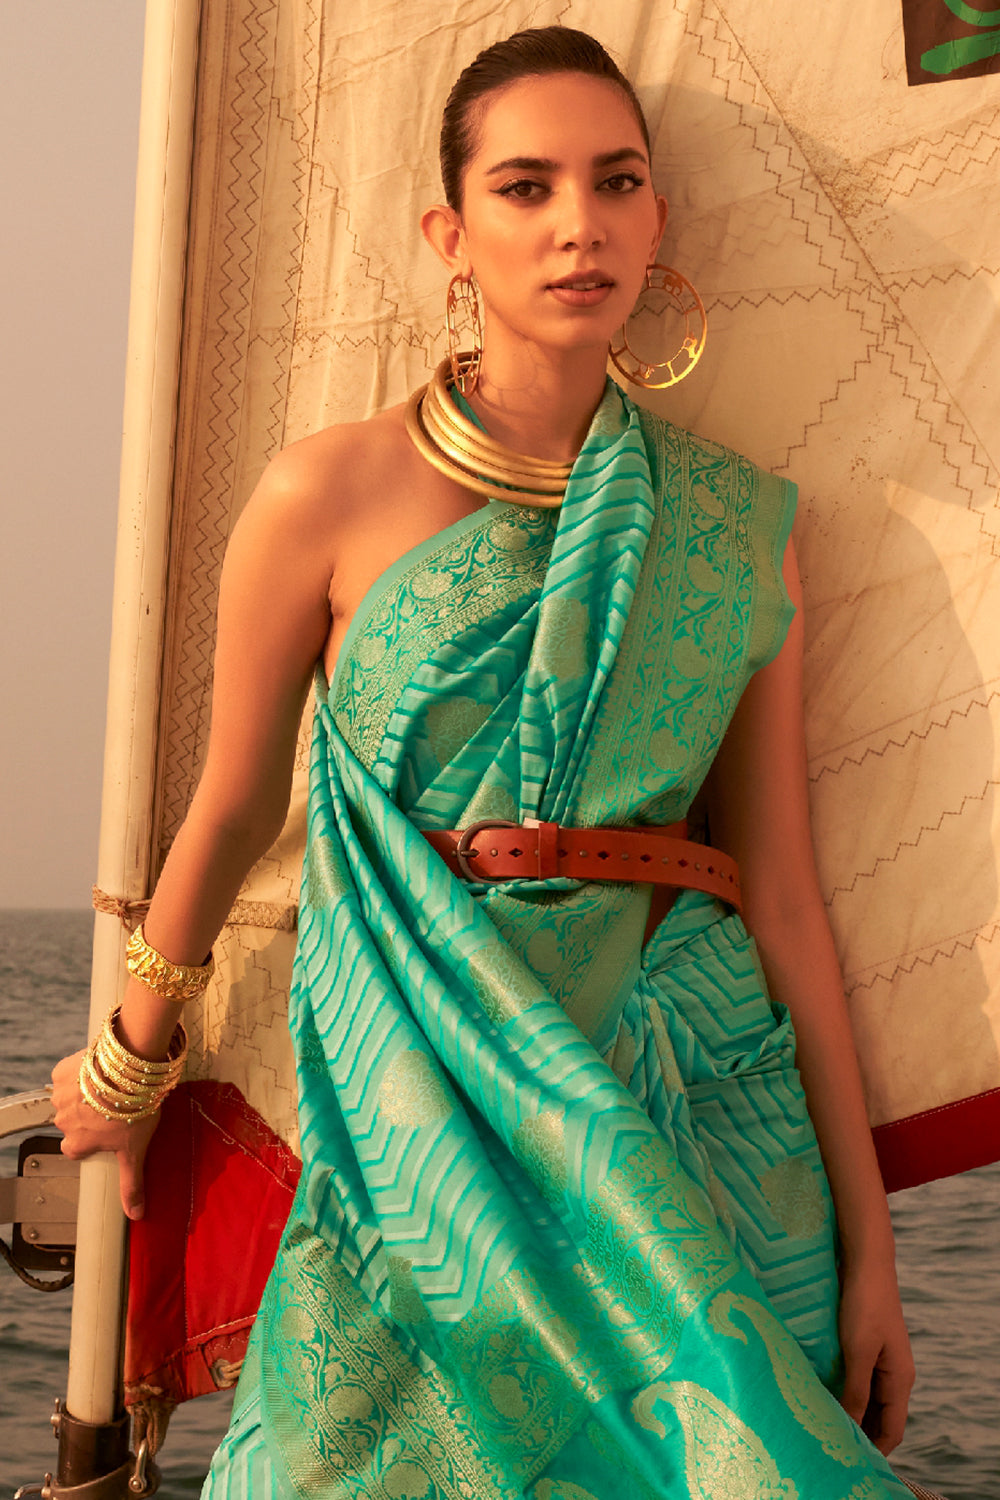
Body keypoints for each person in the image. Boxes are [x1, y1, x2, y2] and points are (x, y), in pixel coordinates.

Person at [53, 26, 918, 1500]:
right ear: (449, 236)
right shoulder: (325, 494)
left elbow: (782, 896)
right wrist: (130, 1065)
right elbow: (237, 804)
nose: (580, 223)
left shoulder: (737, 526)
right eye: (527, 187)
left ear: (659, 219)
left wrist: (872, 1252)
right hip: (418, 1101)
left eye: (617, 182)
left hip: (683, 1105)